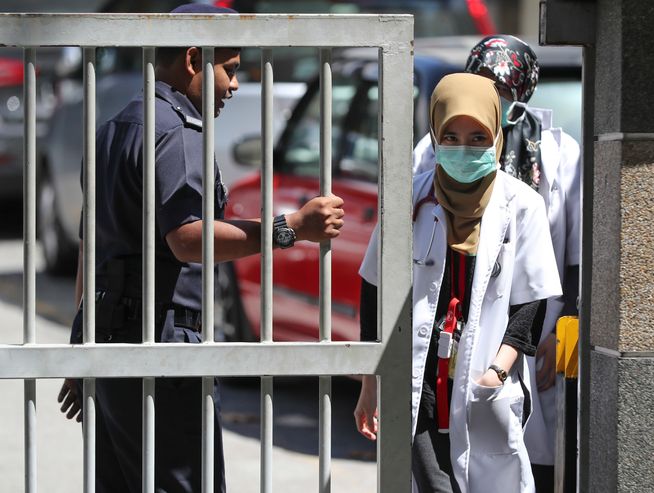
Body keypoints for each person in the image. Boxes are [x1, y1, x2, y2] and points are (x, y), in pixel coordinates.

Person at [56, 4, 344, 492]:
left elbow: (91, 249)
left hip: (109, 343)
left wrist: (83, 349)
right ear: (193, 59)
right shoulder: (176, 129)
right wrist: (289, 227)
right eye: (229, 69)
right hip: (163, 350)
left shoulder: (111, 129)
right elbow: (188, 239)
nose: (235, 85)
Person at [354, 73, 561, 492]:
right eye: (450, 136)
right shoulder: (406, 199)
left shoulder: (522, 205)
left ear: (496, 135)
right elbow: (374, 290)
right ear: (433, 132)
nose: (463, 149)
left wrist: (497, 373)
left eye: (476, 137)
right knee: (433, 484)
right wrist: (369, 383)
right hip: (419, 377)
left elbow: (530, 304)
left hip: (485, 376)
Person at [412, 35, 581, 491]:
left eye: (500, 93)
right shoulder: (433, 153)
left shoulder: (557, 154)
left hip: (527, 327)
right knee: (440, 457)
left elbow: (571, 251)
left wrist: (566, 321)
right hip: (448, 324)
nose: (485, 100)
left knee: (522, 449)